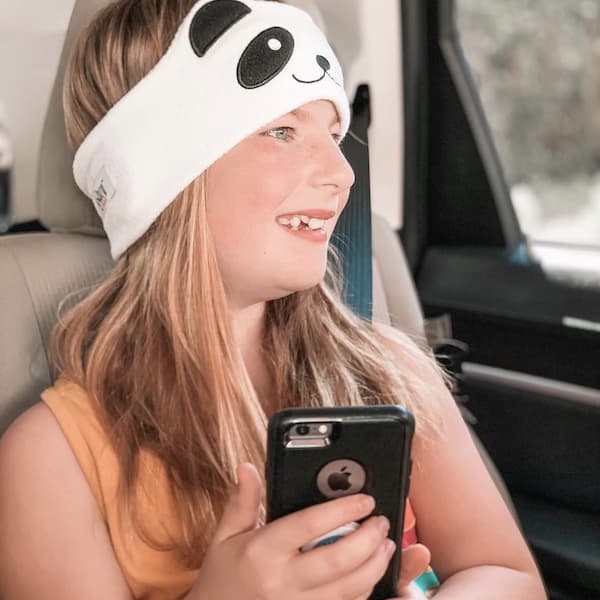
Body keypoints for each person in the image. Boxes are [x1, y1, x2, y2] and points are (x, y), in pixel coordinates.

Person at [0, 1, 547, 599]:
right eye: (282, 131)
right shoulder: (53, 459)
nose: (343, 173)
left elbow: (509, 576)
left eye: (334, 134)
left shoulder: (389, 372)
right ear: (157, 173)